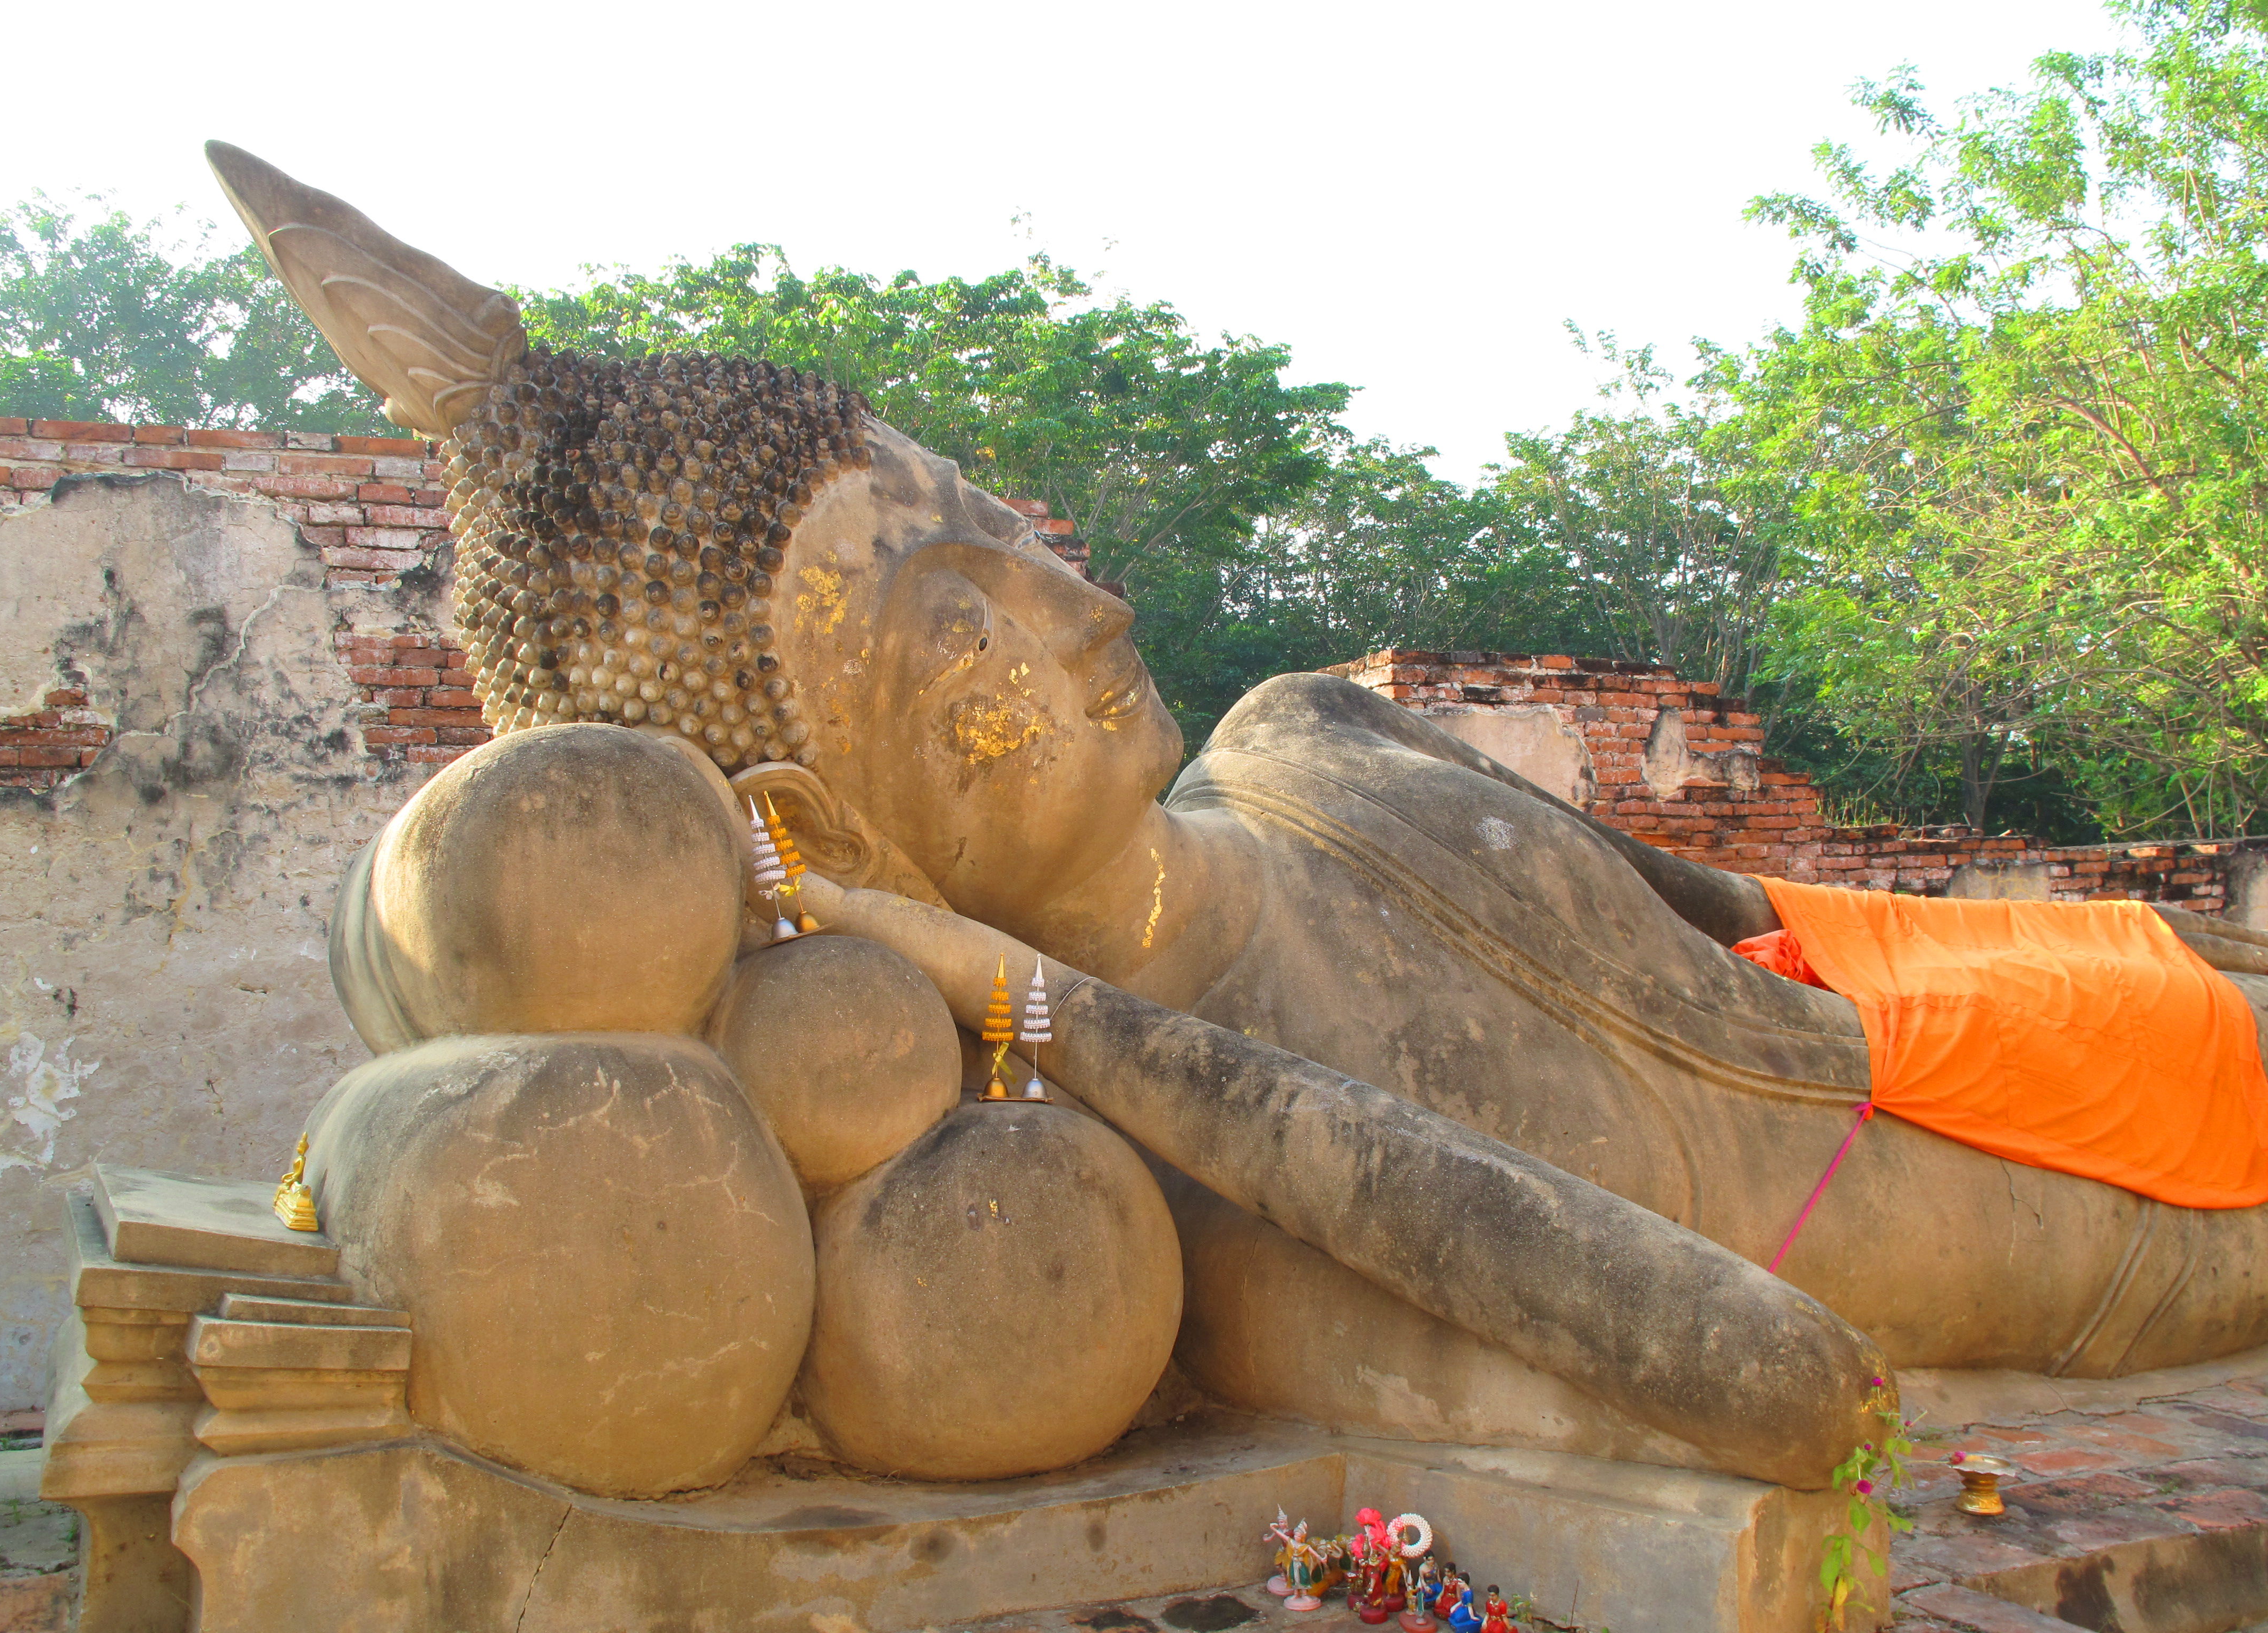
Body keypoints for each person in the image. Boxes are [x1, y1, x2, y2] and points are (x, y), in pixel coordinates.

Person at [213, 142, 2268, 1495]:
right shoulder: (1234, 1221)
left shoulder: (1308, 733)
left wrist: (2124, 963)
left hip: (2077, 1015)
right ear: (822, 822)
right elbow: (1795, 1391)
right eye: (963, 631)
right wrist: (1028, 1002)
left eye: (1006, 535)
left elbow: (1751, 910)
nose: (1087, 606)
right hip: (2141, 1240)